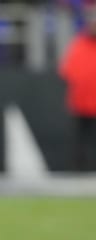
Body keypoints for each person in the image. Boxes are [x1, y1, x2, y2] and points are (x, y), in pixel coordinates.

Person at [59, 5, 96, 171]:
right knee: (80, 142)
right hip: (81, 103)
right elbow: (67, 70)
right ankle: (78, 172)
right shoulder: (79, 44)